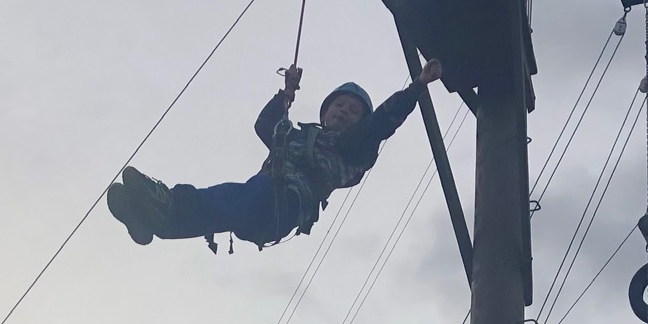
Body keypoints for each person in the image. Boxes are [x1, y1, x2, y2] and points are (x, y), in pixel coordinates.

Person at [107, 58, 444, 252]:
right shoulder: (297, 137)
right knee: (221, 207)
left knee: (233, 196)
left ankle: (167, 203)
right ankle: (153, 220)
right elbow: (265, 125)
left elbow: (382, 122)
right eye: (338, 106)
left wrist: (417, 86)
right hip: (263, 202)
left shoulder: (352, 149)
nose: (343, 113)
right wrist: (287, 93)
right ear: (325, 112)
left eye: (353, 111)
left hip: (286, 202)